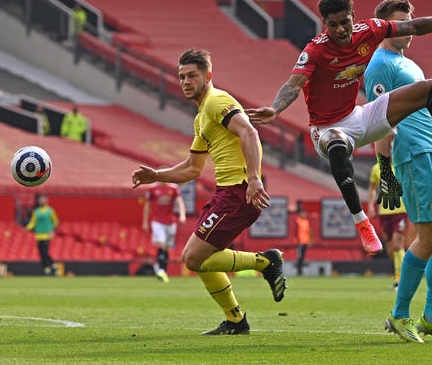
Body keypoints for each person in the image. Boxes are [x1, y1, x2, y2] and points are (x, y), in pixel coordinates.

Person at [246, 0, 432, 257]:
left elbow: (416, 26)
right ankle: (362, 223)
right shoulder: (315, 50)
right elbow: (293, 84)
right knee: (337, 145)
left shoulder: (370, 30)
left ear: (353, 17)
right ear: (324, 24)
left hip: (359, 116)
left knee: (429, 89)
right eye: (332, 24)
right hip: (327, 129)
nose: (340, 29)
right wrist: (276, 108)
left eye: (344, 22)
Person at [132, 48, 287, 335]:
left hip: (238, 191)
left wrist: (253, 179)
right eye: (182, 77)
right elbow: (192, 168)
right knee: (202, 259)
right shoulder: (202, 116)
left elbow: (249, 132)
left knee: (193, 259)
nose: (186, 82)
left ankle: (265, 262)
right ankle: (236, 320)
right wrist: (156, 175)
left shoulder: (217, 101)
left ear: (208, 76)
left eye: (192, 75)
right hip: (225, 193)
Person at [364, 0, 432, 343]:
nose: (409, 29)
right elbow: (378, 121)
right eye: (401, 23)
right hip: (414, 155)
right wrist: (386, 172)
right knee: (430, 236)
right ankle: (398, 314)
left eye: (411, 22)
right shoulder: (380, 65)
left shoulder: (407, 63)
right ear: (385, 25)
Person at [367, 147, 407, 291]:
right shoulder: (376, 169)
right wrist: (371, 205)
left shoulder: (400, 166)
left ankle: (400, 280)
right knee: (391, 249)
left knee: (397, 245)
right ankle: (398, 276)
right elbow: (372, 188)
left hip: (400, 211)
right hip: (384, 212)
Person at [142, 179, 187, 283]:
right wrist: (145, 222)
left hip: (170, 222)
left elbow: (180, 202)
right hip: (157, 221)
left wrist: (182, 214)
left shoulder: (174, 188)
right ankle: (161, 270)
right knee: (161, 244)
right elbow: (147, 205)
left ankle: (163, 270)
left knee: (166, 247)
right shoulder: (153, 188)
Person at [26, 193, 59, 276]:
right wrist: (27, 228)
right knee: (41, 253)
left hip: (47, 235)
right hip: (38, 235)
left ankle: (53, 265)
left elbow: (55, 221)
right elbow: (33, 222)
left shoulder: (50, 211)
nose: (42, 201)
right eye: (41, 199)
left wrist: (52, 229)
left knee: (45, 252)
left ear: (46, 200)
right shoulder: (36, 212)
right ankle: (46, 268)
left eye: (43, 199)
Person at [294, 203, 311, 276]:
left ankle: (300, 271)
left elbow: (308, 232)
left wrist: (310, 240)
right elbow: (295, 231)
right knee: (300, 257)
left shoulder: (306, 221)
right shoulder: (298, 220)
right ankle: (299, 271)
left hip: (305, 242)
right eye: (303, 213)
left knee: (303, 257)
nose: (305, 214)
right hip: (299, 242)